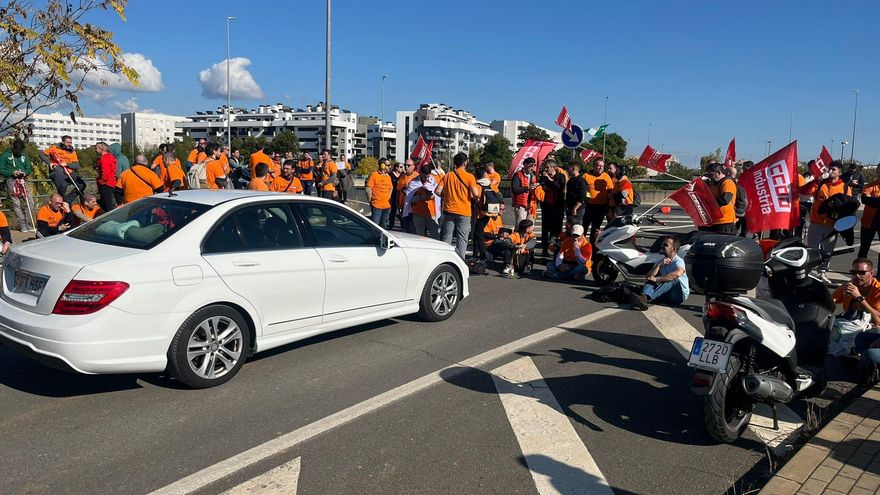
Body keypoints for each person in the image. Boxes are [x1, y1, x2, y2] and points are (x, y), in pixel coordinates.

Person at [435, 152, 481, 259]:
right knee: (462, 238)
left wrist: (446, 195)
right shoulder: (469, 177)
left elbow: (437, 191)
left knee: (446, 237)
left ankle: (444, 259)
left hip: (448, 210)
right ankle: (459, 260)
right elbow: (475, 194)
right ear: (465, 163)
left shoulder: (448, 175)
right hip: (464, 211)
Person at [808, 162, 847, 282]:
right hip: (816, 222)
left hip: (832, 225)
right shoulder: (821, 184)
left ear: (839, 173)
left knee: (828, 251)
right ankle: (808, 271)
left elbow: (849, 205)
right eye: (829, 168)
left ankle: (823, 272)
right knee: (812, 249)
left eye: (833, 169)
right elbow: (808, 191)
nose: (830, 171)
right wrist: (817, 180)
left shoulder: (845, 187)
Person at [630, 236, 690, 310]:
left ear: (673, 249)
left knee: (672, 280)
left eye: (665, 245)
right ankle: (644, 297)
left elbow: (677, 274)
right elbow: (648, 277)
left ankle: (645, 298)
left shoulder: (678, 261)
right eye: (662, 244)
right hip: (666, 293)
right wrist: (658, 266)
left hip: (679, 295)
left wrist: (657, 279)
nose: (662, 246)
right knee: (652, 278)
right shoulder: (662, 261)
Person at [0, 138, 35, 232]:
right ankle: (22, 225)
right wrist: (12, 172)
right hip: (11, 181)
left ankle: (29, 223)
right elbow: (1, 169)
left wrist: (25, 173)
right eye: (18, 150)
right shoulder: (5, 155)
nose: (19, 152)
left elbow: (28, 168)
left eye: (21, 150)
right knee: (16, 203)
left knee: (30, 202)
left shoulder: (24, 155)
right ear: (14, 148)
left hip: (23, 181)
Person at [41, 135, 85, 204]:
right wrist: (49, 163)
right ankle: (59, 202)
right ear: (63, 142)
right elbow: (41, 154)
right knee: (63, 185)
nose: (69, 144)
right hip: (57, 171)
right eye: (67, 142)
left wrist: (67, 164)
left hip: (68, 171)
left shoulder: (72, 151)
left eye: (70, 142)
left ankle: (66, 200)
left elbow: (77, 165)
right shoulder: (54, 147)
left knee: (82, 185)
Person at [473, 167, 504, 261]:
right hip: (488, 212)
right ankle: (477, 254)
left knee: (479, 235)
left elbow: (474, 197)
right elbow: (498, 195)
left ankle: (481, 256)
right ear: (485, 175)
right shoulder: (490, 185)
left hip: (479, 213)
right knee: (478, 234)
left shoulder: (476, 185)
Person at [405, 164, 441, 238]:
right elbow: (409, 199)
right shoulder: (413, 183)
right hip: (418, 213)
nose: (427, 179)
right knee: (420, 237)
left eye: (428, 176)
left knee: (435, 236)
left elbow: (438, 194)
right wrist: (421, 197)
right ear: (420, 173)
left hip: (431, 213)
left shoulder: (433, 181)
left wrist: (434, 196)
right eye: (424, 176)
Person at [538, 160, 566, 257]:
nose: (545, 169)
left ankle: (556, 251)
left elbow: (559, 187)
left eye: (547, 167)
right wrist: (545, 183)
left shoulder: (560, 176)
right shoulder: (543, 177)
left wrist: (550, 180)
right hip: (546, 206)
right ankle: (544, 250)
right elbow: (542, 187)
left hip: (557, 207)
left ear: (552, 167)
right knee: (545, 229)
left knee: (557, 230)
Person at [583, 159, 613, 245]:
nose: (600, 168)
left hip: (601, 207)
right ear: (593, 166)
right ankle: (582, 246)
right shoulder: (586, 176)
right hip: (588, 206)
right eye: (598, 165)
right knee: (584, 227)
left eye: (602, 166)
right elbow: (582, 190)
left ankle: (592, 247)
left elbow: (610, 190)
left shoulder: (606, 176)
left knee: (595, 229)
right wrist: (588, 197)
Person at [704, 162, 737, 234]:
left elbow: (725, 200)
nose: (709, 177)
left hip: (725, 221)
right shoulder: (715, 184)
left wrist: (708, 201)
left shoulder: (727, 182)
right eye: (708, 175)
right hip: (716, 220)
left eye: (711, 174)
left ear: (718, 172)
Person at [860, 164, 880, 265]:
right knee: (864, 249)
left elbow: (870, 200)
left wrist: (873, 200)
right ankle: (859, 272)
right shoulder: (869, 186)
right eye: (879, 171)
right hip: (868, 222)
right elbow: (865, 199)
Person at [510, 157, 538, 225]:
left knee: (530, 226)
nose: (532, 168)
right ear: (525, 164)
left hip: (532, 204)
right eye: (531, 165)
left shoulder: (534, 175)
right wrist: (527, 188)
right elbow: (514, 189)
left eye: (534, 166)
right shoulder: (518, 174)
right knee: (520, 225)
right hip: (521, 204)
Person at [366, 162, 393, 227]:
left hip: (387, 206)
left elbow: (391, 188)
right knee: (375, 226)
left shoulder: (388, 177)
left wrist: (388, 198)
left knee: (383, 227)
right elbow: (368, 188)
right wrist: (370, 200)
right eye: (388, 165)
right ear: (382, 165)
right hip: (377, 206)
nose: (390, 167)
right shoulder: (374, 175)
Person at [94, 141, 118, 211]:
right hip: (110, 183)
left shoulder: (104, 158)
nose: (95, 150)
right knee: (107, 202)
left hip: (106, 184)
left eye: (96, 148)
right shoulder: (110, 157)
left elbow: (106, 173)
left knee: (108, 204)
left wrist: (100, 181)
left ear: (101, 149)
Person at [397, 159, 418, 233]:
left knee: (413, 228)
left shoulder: (417, 176)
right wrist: (398, 205)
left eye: (408, 165)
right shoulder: (402, 176)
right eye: (405, 165)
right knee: (406, 227)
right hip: (403, 206)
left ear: (413, 167)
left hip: (413, 207)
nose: (406, 167)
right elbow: (398, 191)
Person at [387, 162, 404, 229]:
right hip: (393, 195)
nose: (402, 168)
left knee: (401, 211)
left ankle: (403, 224)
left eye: (402, 167)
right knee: (392, 211)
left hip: (401, 195)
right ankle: (391, 224)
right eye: (400, 167)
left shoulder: (403, 175)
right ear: (396, 168)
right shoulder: (391, 175)